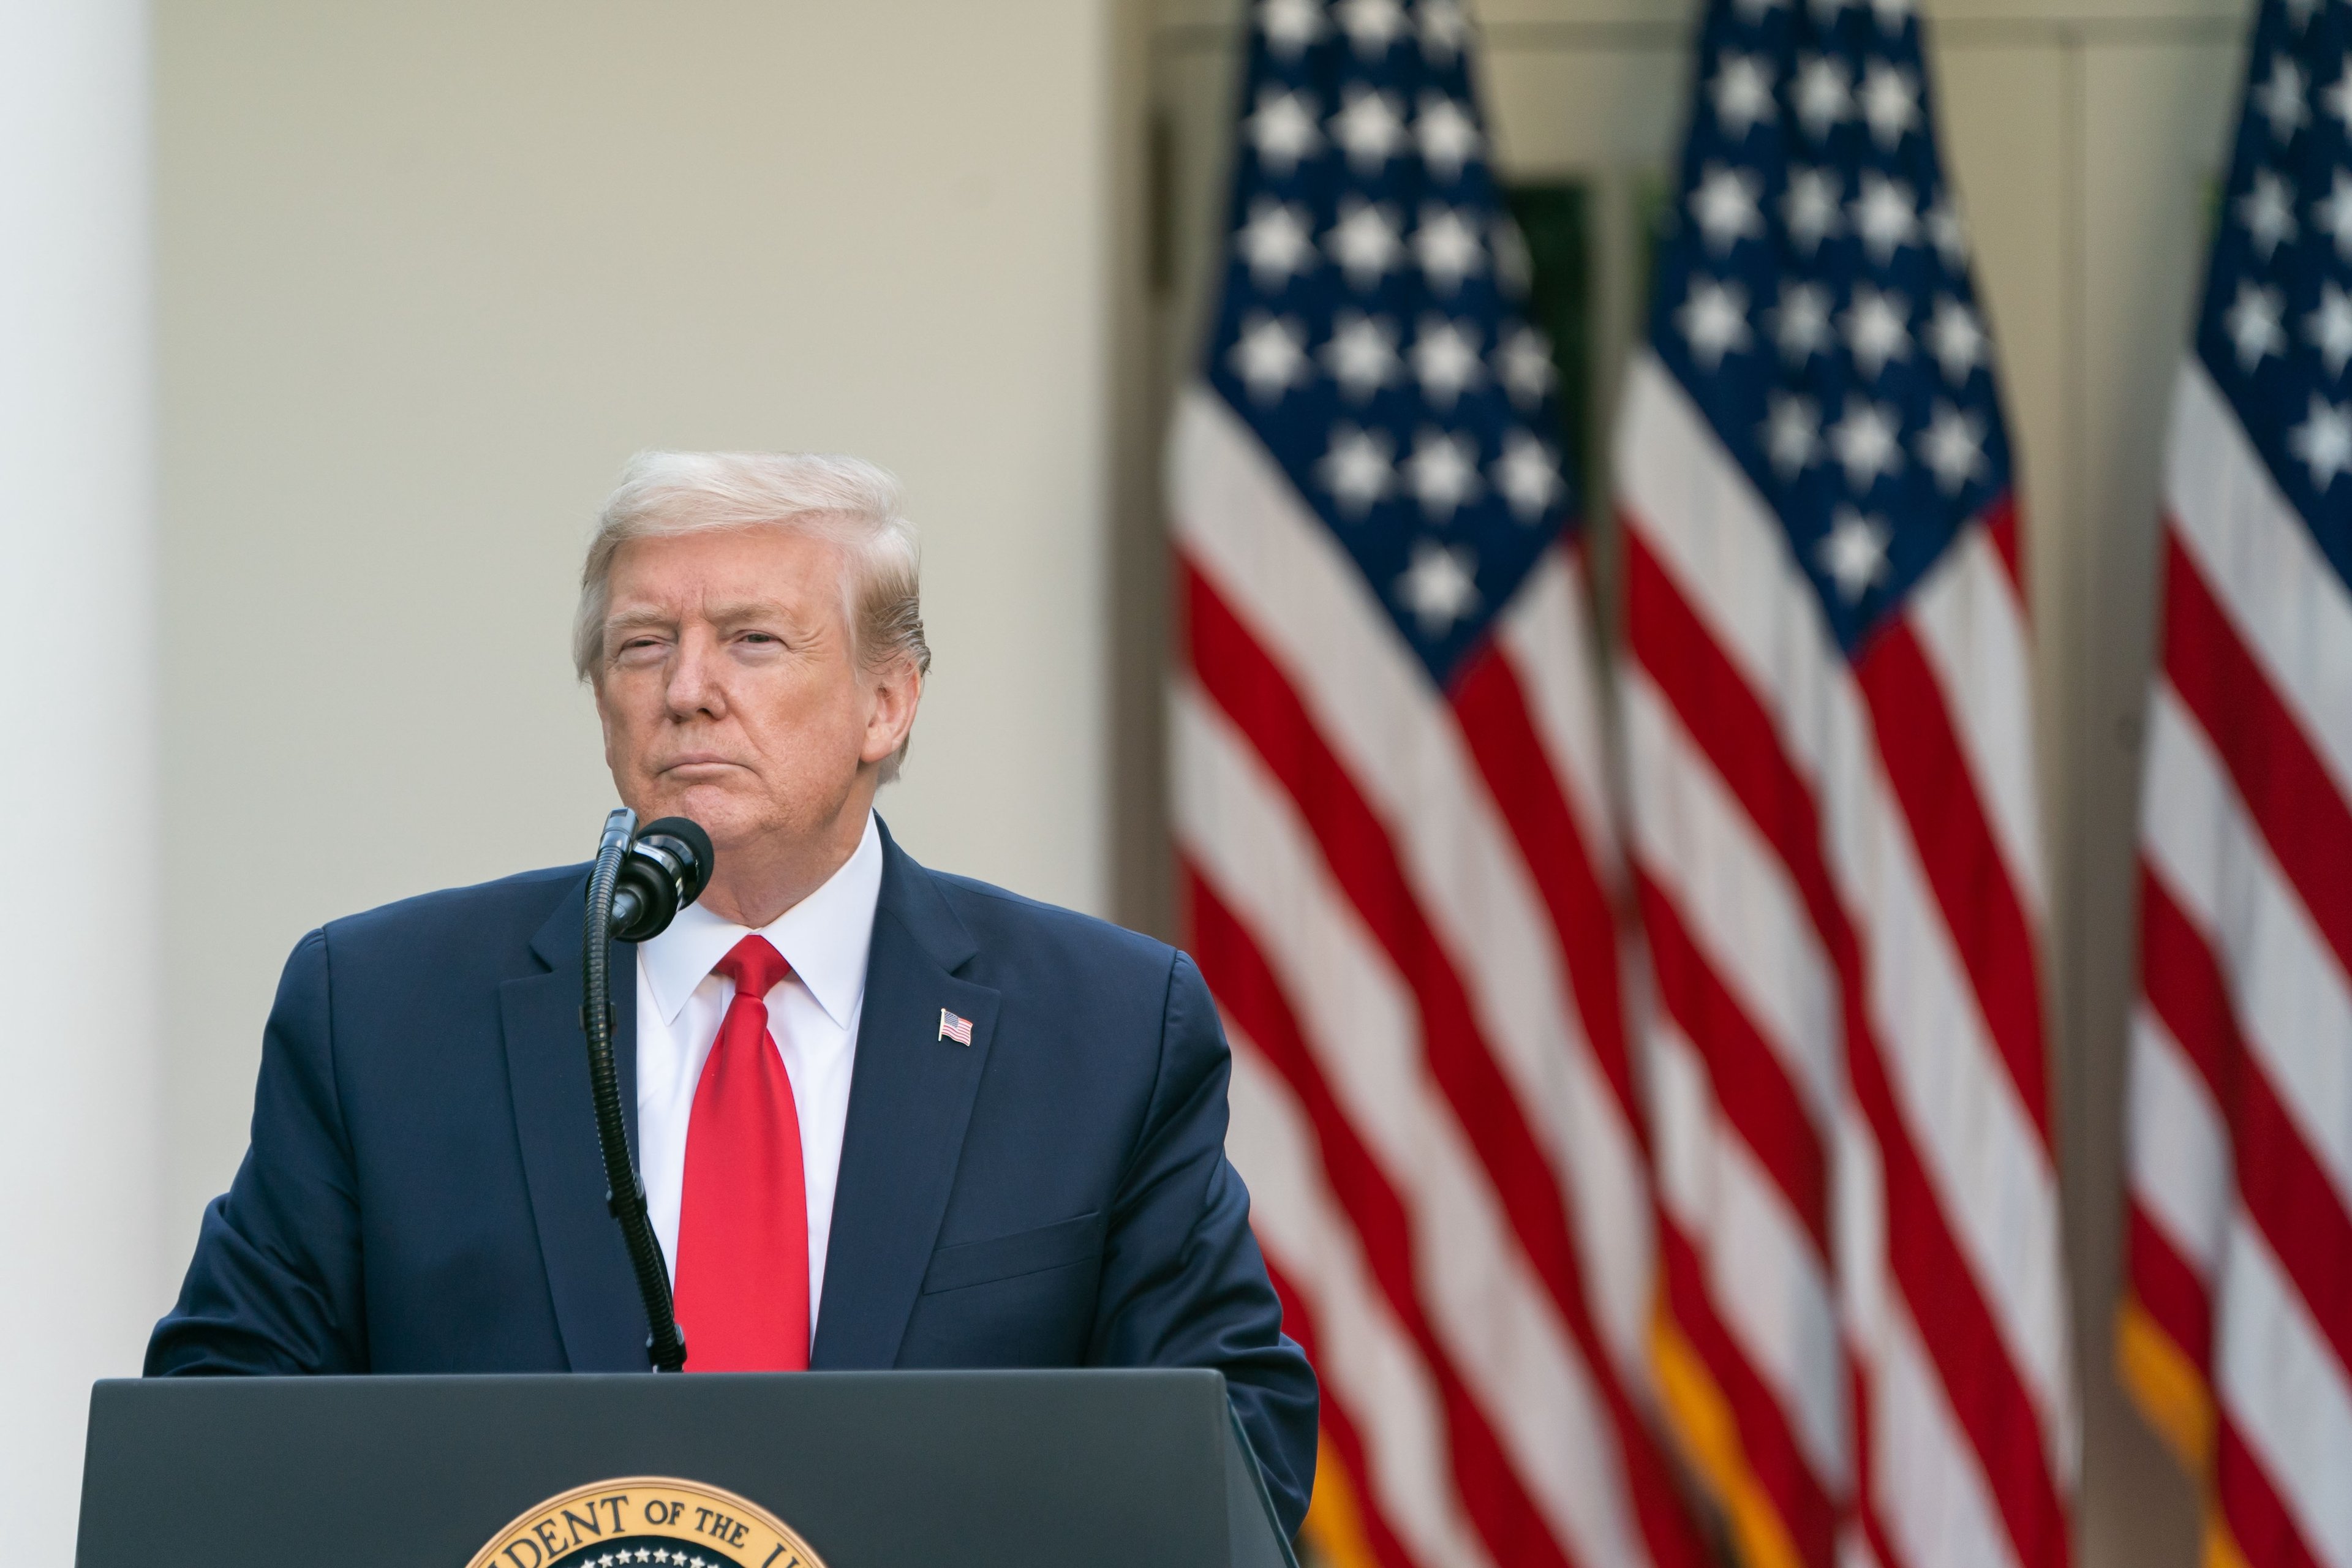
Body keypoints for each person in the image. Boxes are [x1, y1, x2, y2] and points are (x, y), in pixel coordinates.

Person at [146, 451, 1317, 1534]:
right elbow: (220, 1428)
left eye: (753, 640)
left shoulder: (1107, 1029)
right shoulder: (382, 1011)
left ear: (887, 703)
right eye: (643, 645)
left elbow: (1232, 1448)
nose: (688, 689)